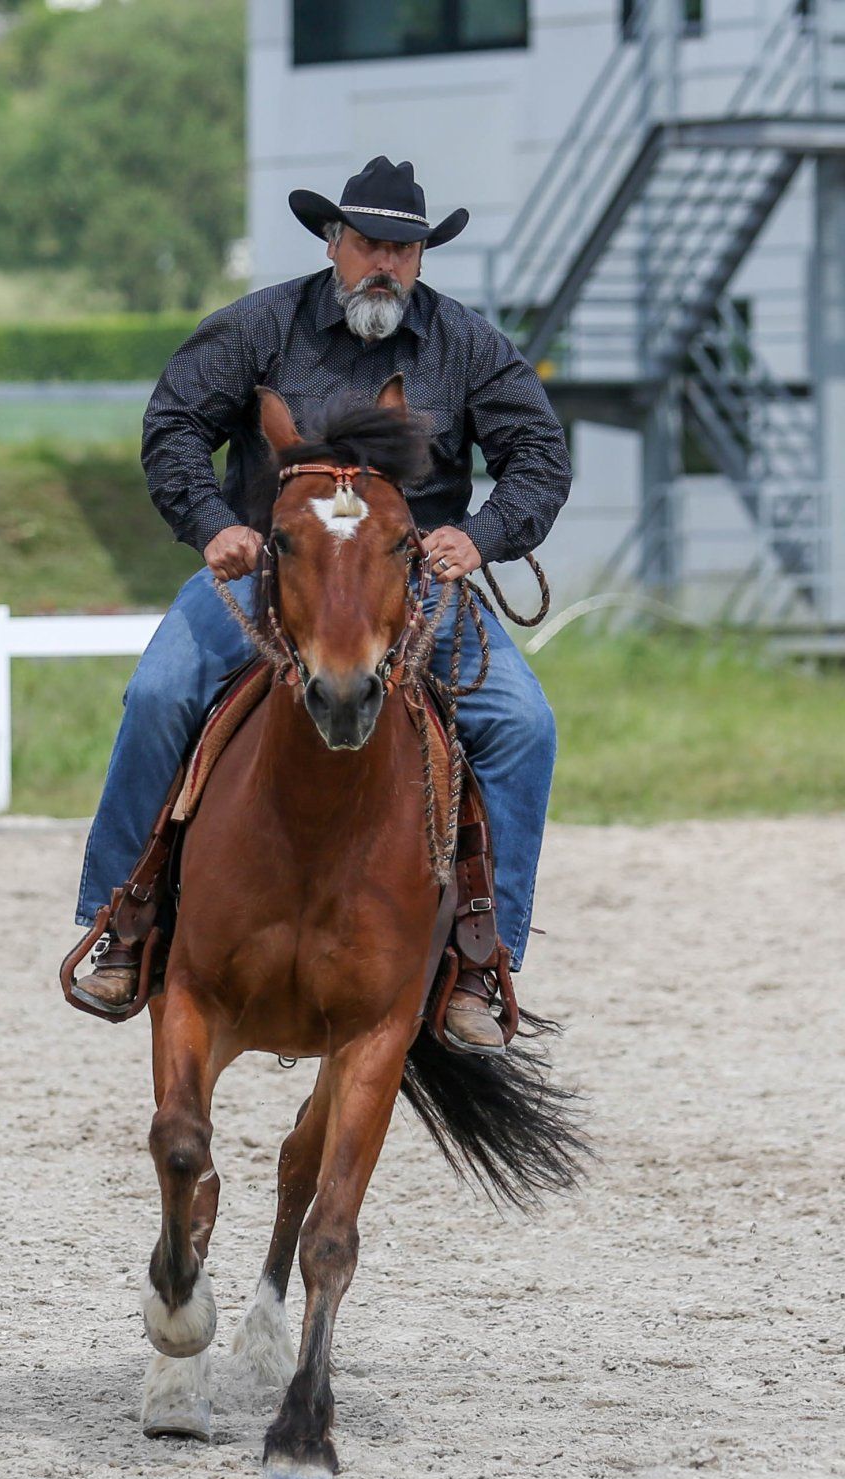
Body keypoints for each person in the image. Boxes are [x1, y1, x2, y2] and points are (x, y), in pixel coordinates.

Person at [72, 156, 571, 1053]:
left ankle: (479, 954)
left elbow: (538, 452)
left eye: (404, 249)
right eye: (369, 242)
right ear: (332, 241)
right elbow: (174, 423)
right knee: (157, 697)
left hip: (409, 586)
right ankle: (129, 915)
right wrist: (213, 523)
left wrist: (481, 537)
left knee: (525, 726)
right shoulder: (257, 327)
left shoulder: (465, 345)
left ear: (421, 259)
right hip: (265, 575)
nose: (385, 263)